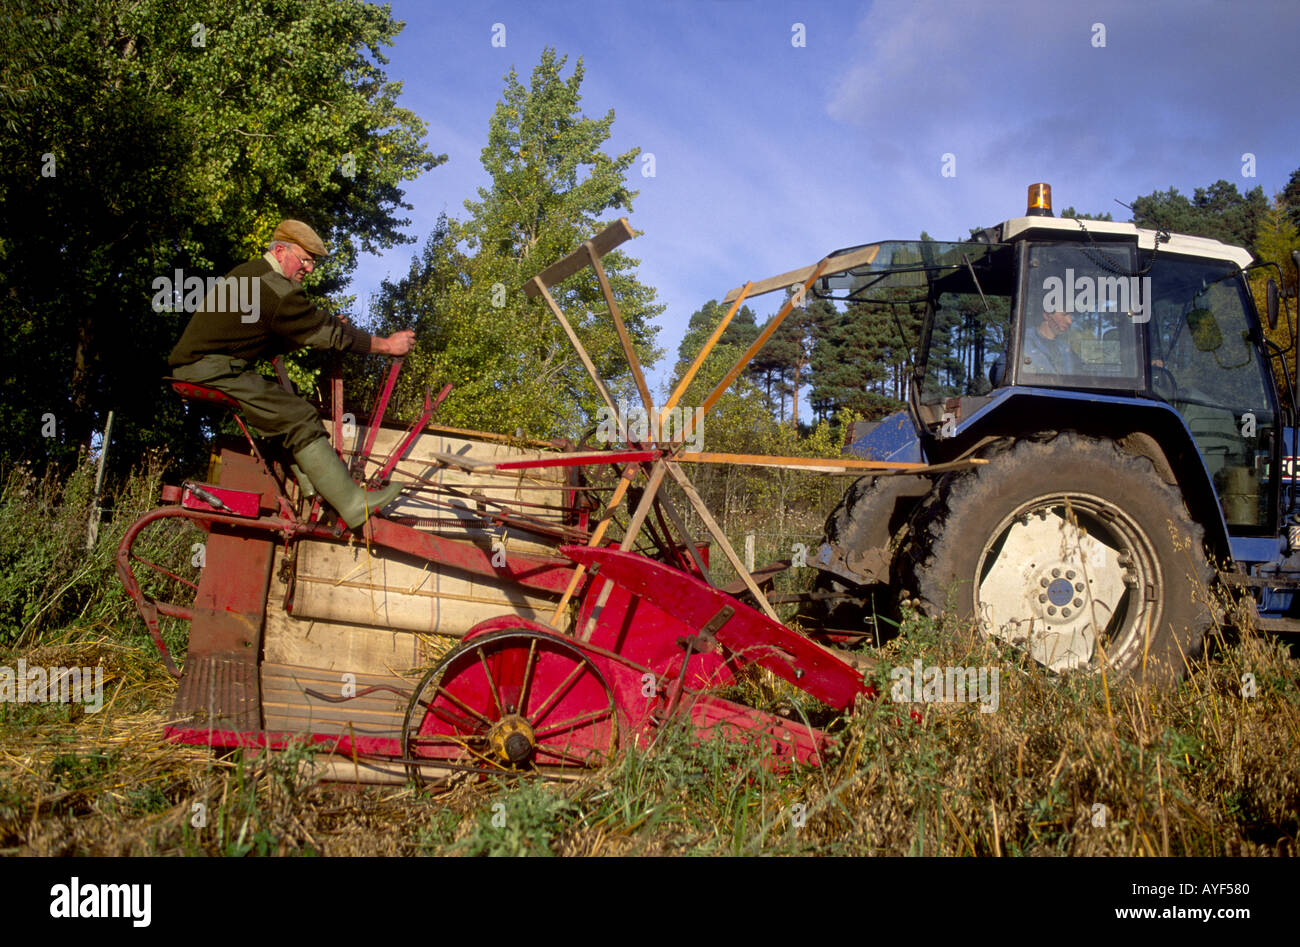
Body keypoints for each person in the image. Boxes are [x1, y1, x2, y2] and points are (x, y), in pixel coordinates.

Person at [168, 219, 415, 529]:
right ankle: (352, 503)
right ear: (281, 250)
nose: (310, 269)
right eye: (306, 259)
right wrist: (387, 345)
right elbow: (321, 331)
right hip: (210, 368)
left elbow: (272, 333)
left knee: (283, 404)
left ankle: (313, 488)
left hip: (206, 365)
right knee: (298, 414)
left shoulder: (253, 273)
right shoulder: (274, 287)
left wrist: (324, 329)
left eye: (312, 262)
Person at [1021, 307, 1080, 376]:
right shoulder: (1021, 341)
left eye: (1071, 316)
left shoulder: (1066, 349)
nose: (1070, 321)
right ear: (1047, 315)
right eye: (1064, 315)